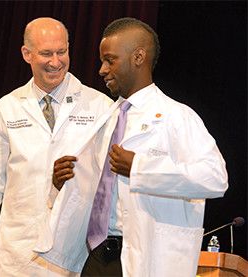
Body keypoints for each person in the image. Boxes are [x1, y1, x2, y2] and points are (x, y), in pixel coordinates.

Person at [56, 17, 228, 277]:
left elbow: (215, 179)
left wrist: (140, 168)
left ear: (138, 57)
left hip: (148, 258)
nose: (102, 70)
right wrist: (64, 183)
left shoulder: (177, 116)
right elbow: (100, 190)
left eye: (110, 60)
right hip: (98, 257)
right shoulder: (107, 118)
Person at [0, 17, 113, 277]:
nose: (56, 62)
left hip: (74, 254)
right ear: (27, 54)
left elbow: (108, 187)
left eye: (62, 52)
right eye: (46, 53)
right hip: (17, 253)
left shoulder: (99, 106)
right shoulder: (6, 108)